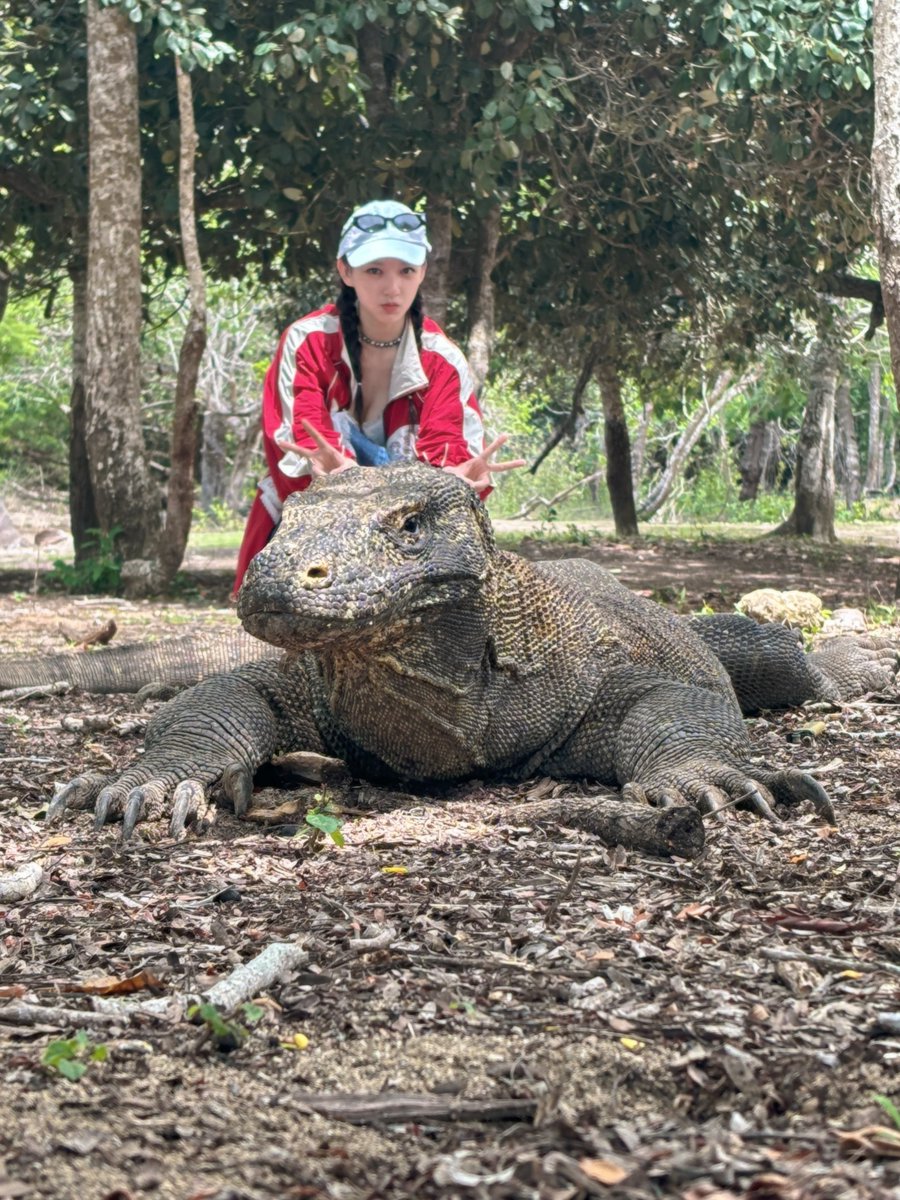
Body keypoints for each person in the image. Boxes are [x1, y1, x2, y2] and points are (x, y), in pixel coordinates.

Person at [233, 198, 523, 591]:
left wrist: (457, 485)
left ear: (422, 272)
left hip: (408, 547)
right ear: (345, 271)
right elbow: (294, 451)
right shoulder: (306, 343)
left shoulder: (444, 361)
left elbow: (451, 458)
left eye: (406, 270)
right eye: (374, 270)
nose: (392, 287)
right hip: (311, 529)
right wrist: (326, 476)